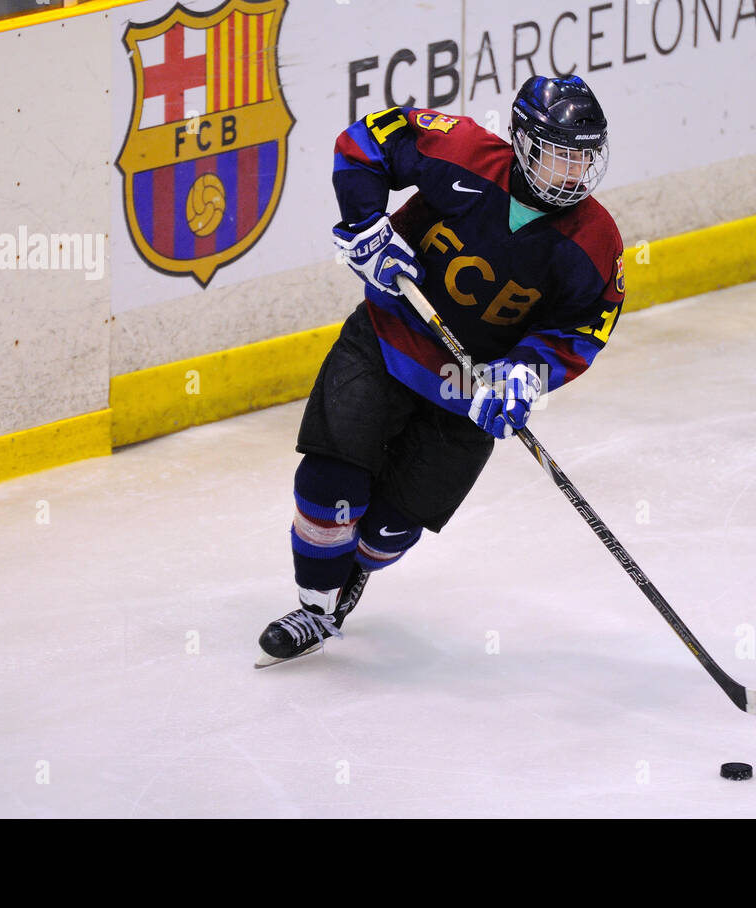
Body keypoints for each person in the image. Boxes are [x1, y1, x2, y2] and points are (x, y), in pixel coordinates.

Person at [257, 75, 625, 665]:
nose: (574, 171)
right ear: (524, 144)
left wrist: (526, 373)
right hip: (387, 340)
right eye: (560, 154)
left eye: (584, 157)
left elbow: (588, 323)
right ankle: (315, 608)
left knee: (389, 530)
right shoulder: (464, 153)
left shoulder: (595, 239)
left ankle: (357, 572)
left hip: (467, 392)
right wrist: (365, 225)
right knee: (330, 484)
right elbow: (367, 141)